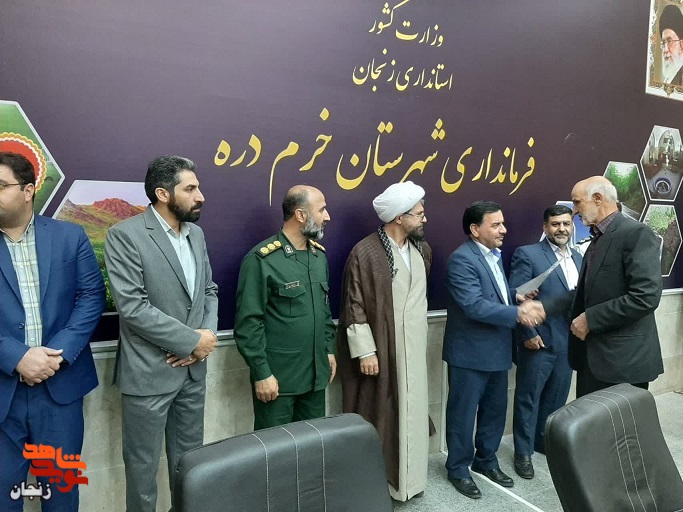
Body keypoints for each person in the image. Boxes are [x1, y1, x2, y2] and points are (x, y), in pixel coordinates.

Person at [104, 155, 218, 512]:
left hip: (193, 372)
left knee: (192, 468)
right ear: (162, 193)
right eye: (190, 188)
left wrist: (206, 339)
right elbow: (133, 308)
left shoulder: (196, 234)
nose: (200, 196)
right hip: (149, 374)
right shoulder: (125, 235)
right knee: (142, 470)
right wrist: (192, 341)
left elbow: (209, 291)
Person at [0, 151, 105, 511]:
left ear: (28, 190)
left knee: (61, 494)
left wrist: (53, 356)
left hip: (59, 389)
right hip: (3, 390)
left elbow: (91, 297)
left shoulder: (69, 236)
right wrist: (17, 357)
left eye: (1, 185)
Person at [442, 201, 545, 500]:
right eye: (496, 225)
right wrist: (518, 313)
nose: (504, 230)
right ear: (475, 229)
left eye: (503, 223)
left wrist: (515, 295)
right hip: (469, 354)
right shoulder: (462, 259)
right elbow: (473, 305)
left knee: (495, 411)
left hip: (498, 349)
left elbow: (494, 294)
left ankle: (486, 460)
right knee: (463, 415)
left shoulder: (494, 255)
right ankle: (458, 468)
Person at [337, 181, 432, 502]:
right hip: (382, 349)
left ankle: (411, 482)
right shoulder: (365, 253)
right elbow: (354, 304)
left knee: (413, 414)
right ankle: (383, 485)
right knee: (382, 414)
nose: (424, 219)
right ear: (399, 218)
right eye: (418, 214)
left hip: (414, 352)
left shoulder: (422, 250)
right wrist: (365, 350)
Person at [543, 176, 663, 398]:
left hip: (623, 364)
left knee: (618, 422)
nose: (574, 211)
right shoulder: (597, 240)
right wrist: (543, 307)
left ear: (597, 198)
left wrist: (590, 319)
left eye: (577, 202)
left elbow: (645, 296)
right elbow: (586, 293)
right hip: (593, 361)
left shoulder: (635, 234)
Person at [234, 185, 336, 430]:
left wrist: (328, 350)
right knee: (274, 449)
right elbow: (248, 323)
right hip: (279, 382)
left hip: (315, 377)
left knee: (313, 445)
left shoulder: (319, 257)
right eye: (321, 210)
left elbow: (324, 311)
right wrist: (261, 373)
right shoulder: (262, 259)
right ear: (300, 215)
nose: (327, 217)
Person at [508, 205, 582, 480]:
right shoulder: (528, 254)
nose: (561, 229)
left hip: (569, 343)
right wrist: (527, 334)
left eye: (566, 223)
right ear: (545, 227)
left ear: (572, 226)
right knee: (528, 399)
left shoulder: (579, 257)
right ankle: (523, 452)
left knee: (556, 398)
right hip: (539, 341)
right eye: (555, 224)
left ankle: (542, 442)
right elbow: (518, 296)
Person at [659, 3, 683, 86]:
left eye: (669, 41)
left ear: (681, 45)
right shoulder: (667, 79)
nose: (665, 50)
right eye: (663, 43)